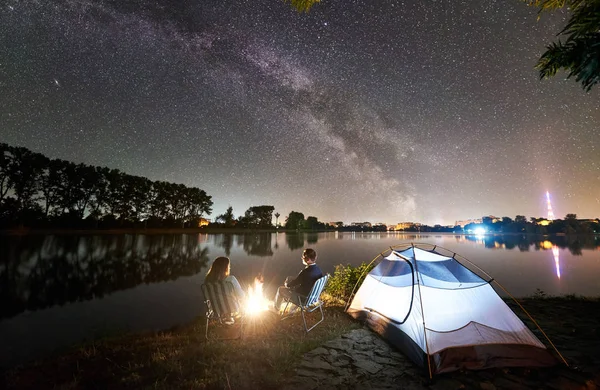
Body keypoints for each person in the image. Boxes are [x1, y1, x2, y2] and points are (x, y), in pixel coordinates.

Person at [274, 248, 323, 313]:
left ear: (307, 259)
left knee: (280, 289)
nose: (302, 258)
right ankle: (292, 310)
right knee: (292, 281)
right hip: (312, 297)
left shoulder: (305, 272)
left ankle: (276, 309)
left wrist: (286, 284)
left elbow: (290, 285)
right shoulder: (318, 270)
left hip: (302, 298)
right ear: (314, 257)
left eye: (303, 257)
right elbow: (302, 280)